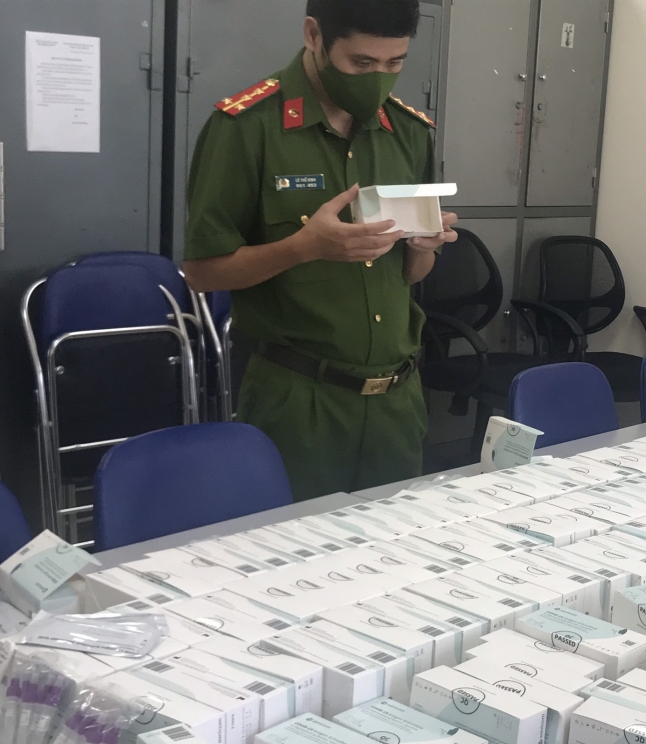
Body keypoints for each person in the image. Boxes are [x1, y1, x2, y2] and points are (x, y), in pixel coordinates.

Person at [182, 0, 456, 501]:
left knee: (398, 545)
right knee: (292, 548)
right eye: (362, 62)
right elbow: (202, 272)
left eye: (394, 63)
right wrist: (302, 248)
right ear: (314, 35)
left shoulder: (408, 132)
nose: (378, 78)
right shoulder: (247, 126)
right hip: (300, 403)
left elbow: (411, 275)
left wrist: (424, 246)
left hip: (396, 402)